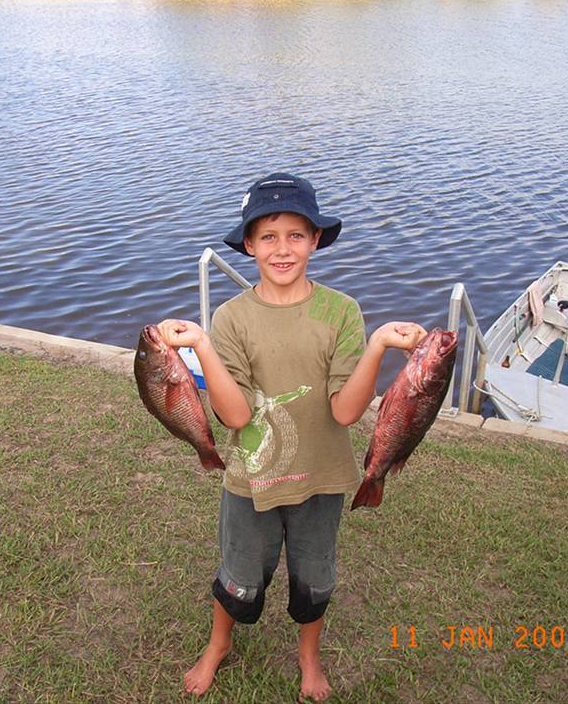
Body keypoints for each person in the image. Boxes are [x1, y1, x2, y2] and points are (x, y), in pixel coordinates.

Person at [156, 172, 425, 701]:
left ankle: (309, 655)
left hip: (322, 477)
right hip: (250, 478)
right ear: (250, 244)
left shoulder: (340, 310)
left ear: (316, 240)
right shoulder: (231, 317)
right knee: (238, 573)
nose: (283, 249)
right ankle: (219, 643)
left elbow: (346, 412)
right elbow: (233, 417)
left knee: (315, 576)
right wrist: (204, 347)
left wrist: (375, 349)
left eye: (296, 235)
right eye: (269, 236)